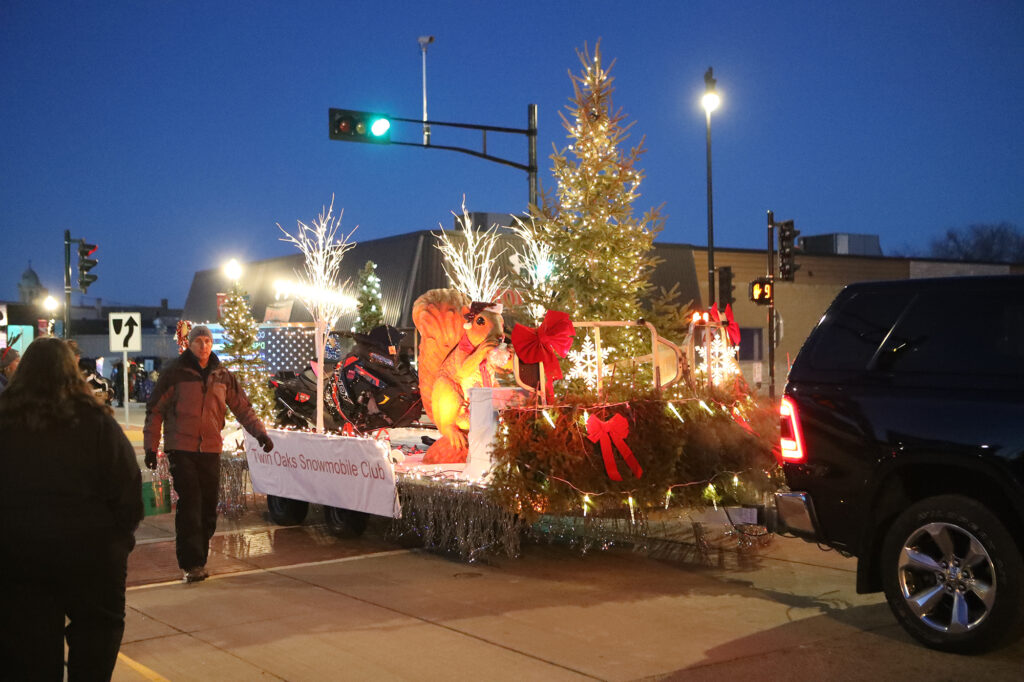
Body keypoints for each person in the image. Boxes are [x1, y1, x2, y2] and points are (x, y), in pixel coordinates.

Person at [0, 337, 143, 680]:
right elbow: (128, 490)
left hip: (19, 554)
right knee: (97, 635)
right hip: (91, 555)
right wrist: (118, 541)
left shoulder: (5, 420)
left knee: (27, 647)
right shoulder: (97, 422)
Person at [144, 325, 274, 583]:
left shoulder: (222, 375)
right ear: (189, 344)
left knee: (207, 508)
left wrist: (260, 434)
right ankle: (192, 563)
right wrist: (151, 446)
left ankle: (199, 555)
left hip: (210, 448)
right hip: (181, 447)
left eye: (207, 341)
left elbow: (242, 407)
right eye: (198, 341)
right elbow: (155, 410)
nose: (203, 346)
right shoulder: (175, 373)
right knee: (190, 501)